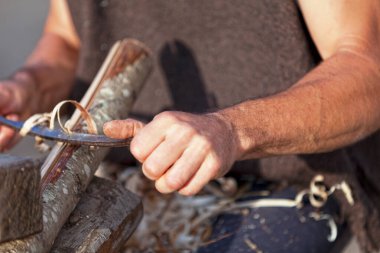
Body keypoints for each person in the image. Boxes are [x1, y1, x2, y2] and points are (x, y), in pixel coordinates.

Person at [1, 0, 380, 252]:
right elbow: (67, 39)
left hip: (283, 184)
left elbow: (367, 69)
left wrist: (231, 130)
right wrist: (29, 86)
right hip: (111, 174)